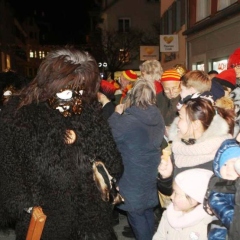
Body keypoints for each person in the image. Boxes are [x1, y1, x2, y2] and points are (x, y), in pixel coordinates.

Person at [0, 47, 124, 240]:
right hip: (48, 221)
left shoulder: (90, 114)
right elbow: (8, 165)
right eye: (67, 91)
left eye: (81, 90)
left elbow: (113, 162)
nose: (75, 99)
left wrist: (82, 144)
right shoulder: (21, 117)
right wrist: (25, 204)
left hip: (91, 220)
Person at [108, 78, 165, 240]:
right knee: (146, 210)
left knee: (136, 214)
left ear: (132, 96)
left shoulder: (128, 120)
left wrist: (116, 114)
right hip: (152, 170)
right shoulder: (158, 116)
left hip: (132, 174)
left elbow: (109, 132)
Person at [157, 96, 235, 200]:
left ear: (195, 124)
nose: (176, 122)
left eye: (180, 118)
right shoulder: (178, 147)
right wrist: (166, 177)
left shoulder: (221, 157)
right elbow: (168, 192)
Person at [153, 168, 214, 240]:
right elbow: (159, 236)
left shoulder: (206, 224)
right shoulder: (168, 214)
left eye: (176, 193)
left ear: (193, 199)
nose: (171, 197)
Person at [204, 138, 240, 240]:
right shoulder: (218, 189)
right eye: (224, 164)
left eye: (234, 164)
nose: (228, 168)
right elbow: (226, 213)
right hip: (223, 233)